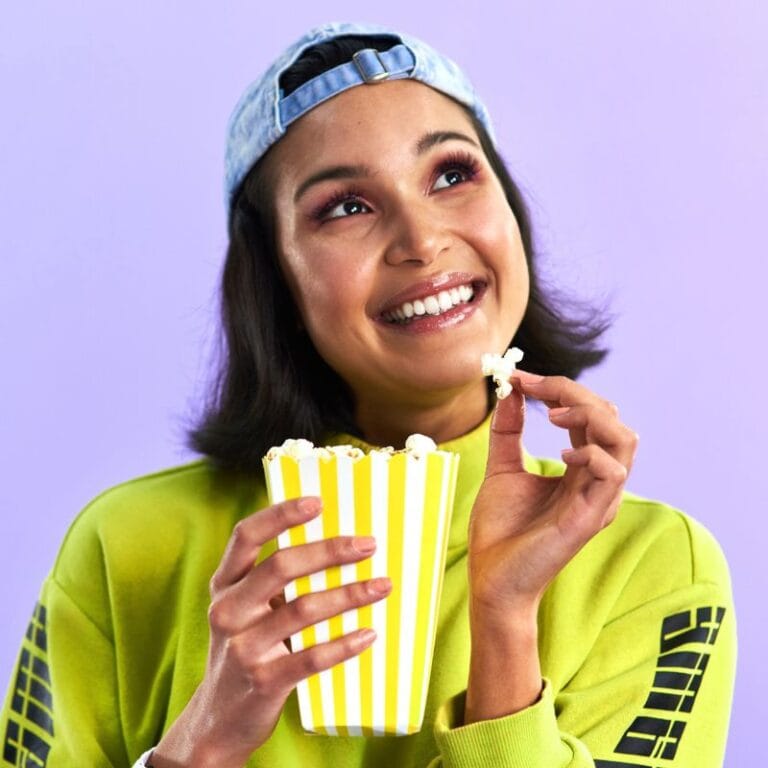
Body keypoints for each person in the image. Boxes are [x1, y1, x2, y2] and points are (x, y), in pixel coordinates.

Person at [0, 21, 735, 768]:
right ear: (275, 278)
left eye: (452, 174)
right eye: (345, 206)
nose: (421, 238)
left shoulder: (654, 568)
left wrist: (505, 621)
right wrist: (197, 749)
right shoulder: (127, 546)